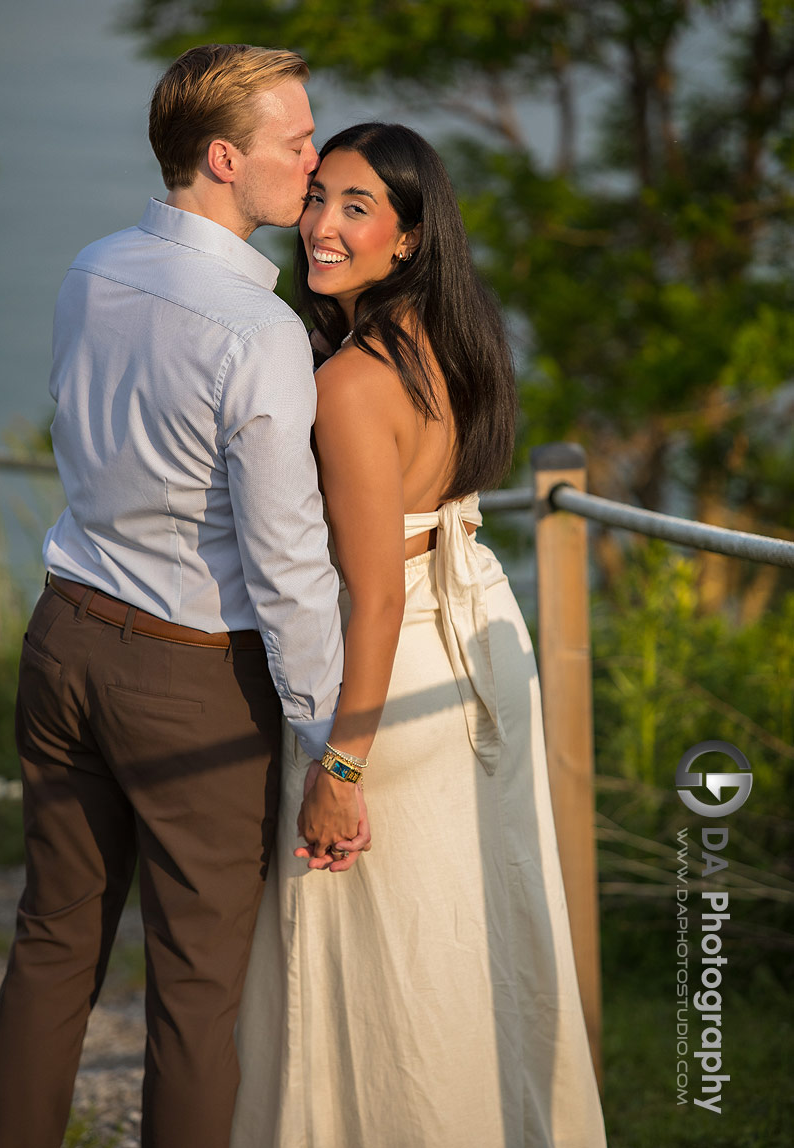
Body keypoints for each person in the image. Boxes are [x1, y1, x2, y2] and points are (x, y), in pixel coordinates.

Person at [0, 44, 348, 1148]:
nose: (314, 162)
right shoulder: (262, 332)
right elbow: (289, 565)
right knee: (195, 997)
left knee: (52, 943)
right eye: (297, 142)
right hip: (190, 680)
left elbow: (77, 429)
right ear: (227, 159)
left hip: (63, 637)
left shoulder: (92, 265)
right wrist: (336, 747)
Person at [230, 123, 608, 1148]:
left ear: (408, 239)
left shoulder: (352, 381)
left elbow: (376, 595)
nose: (319, 224)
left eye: (357, 207)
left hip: (388, 674)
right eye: (317, 197)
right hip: (478, 639)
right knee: (464, 932)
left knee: (378, 957)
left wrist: (341, 759)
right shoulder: (450, 344)